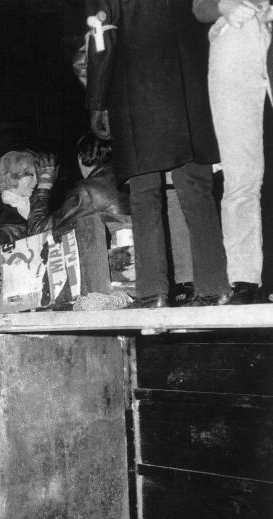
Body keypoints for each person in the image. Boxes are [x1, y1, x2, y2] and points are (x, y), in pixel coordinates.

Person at [87, 0, 230, 307]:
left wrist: (97, 100)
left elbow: (101, 37)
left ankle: (153, 293)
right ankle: (215, 287)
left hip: (136, 93)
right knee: (197, 192)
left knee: (144, 197)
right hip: (190, 90)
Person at [194, 0, 271, 304]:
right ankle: (245, 279)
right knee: (240, 173)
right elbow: (199, 8)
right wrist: (224, 5)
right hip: (233, 46)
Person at [0, 151, 57, 251]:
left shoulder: (38, 203)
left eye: (37, 176)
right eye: (32, 175)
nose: (36, 181)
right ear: (13, 176)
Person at [53, 133, 131, 231]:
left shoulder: (87, 190)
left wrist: (44, 184)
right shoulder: (124, 174)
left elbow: (45, 230)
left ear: (79, 158)